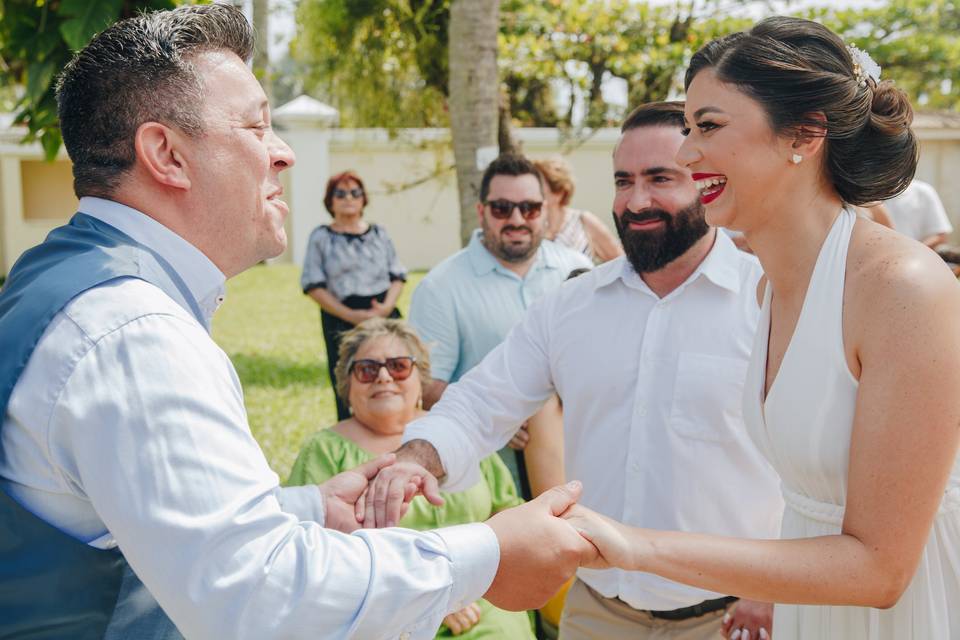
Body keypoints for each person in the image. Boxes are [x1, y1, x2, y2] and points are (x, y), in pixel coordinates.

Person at [0, 6, 597, 638]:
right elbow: (260, 595)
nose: (283, 154)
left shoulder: (56, 278)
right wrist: (485, 555)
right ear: (165, 154)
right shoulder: (134, 333)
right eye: (257, 127)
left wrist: (307, 508)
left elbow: (131, 517)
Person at [563, 16, 960, 640]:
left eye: (709, 127)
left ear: (803, 135)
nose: (685, 152)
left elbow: (882, 570)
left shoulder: (902, 289)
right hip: (812, 607)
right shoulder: (767, 286)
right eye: (688, 128)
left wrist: (636, 546)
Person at [368, 102, 785, 640]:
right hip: (596, 611)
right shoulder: (570, 307)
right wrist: (412, 460)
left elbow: (822, 467)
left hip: (735, 616)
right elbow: (479, 404)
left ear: (708, 181)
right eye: (623, 180)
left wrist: (777, 585)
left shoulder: (768, 299)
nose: (637, 201)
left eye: (661, 178)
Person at [288, 318, 536, 639]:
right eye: (366, 369)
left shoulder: (454, 436)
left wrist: (471, 584)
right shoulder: (323, 451)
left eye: (399, 366)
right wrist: (430, 601)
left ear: (420, 380)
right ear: (347, 386)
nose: (383, 376)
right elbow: (314, 551)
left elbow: (508, 514)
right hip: (381, 611)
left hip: (482, 598)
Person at [409, 153, 592, 497]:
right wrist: (498, 416)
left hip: (582, 467)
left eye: (530, 208)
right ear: (481, 212)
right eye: (502, 208)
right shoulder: (440, 288)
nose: (517, 219)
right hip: (492, 486)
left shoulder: (579, 269)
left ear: (546, 209)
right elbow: (424, 388)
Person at [301, 170, 406, 420]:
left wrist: (384, 309)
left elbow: (398, 275)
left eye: (354, 192)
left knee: (393, 374)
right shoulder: (321, 237)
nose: (348, 198)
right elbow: (313, 285)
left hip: (384, 315)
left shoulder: (380, 233)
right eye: (341, 193)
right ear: (330, 200)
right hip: (340, 318)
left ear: (363, 199)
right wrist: (351, 315)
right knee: (349, 381)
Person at [533, 157, 623, 263]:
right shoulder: (533, 226)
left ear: (559, 193)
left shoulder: (583, 221)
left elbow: (621, 261)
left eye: (538, 185)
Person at [883, 178, 953, 248]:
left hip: (916, 256)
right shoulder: (873, 197)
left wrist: (912, 252)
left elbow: (940, 236)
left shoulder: (923, 191)